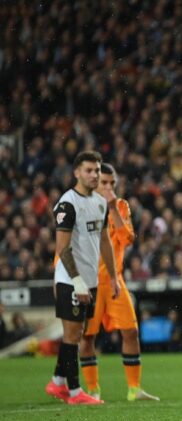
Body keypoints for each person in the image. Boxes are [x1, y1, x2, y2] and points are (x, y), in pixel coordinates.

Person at [78, 163, 159, 402]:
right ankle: (93, 389)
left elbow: (128, 238)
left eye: (112, 183)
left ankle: (134, 389)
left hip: (115, 280)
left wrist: (112, 207)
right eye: (104, 182)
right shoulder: (82, 206)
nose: (109, 187)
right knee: (88, 337)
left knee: (131, 331)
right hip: (90, 282)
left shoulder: (121, 206)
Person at [45, 151, 119, 405]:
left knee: (79, 332)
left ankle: (57, 383)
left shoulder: (99, 203)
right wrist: (76, 281)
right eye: (88, 170)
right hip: (70, 279)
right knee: (73, 334)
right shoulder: (68, 203)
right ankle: (75, 392)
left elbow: (105, 240)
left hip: (91, 279)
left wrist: (114, 277)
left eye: (97, 170)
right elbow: (62, 249)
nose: (94, 175)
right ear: (76, 172)